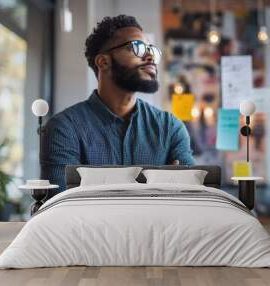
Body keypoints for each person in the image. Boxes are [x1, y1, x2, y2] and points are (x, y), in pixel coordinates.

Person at [41, 15, 194, 193]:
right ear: (103, 62)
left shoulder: (170, 128)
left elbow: (188, 196)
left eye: (151, 49)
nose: (150, 56)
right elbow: (62, 205)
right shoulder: (64, 128)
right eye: (137, 47)